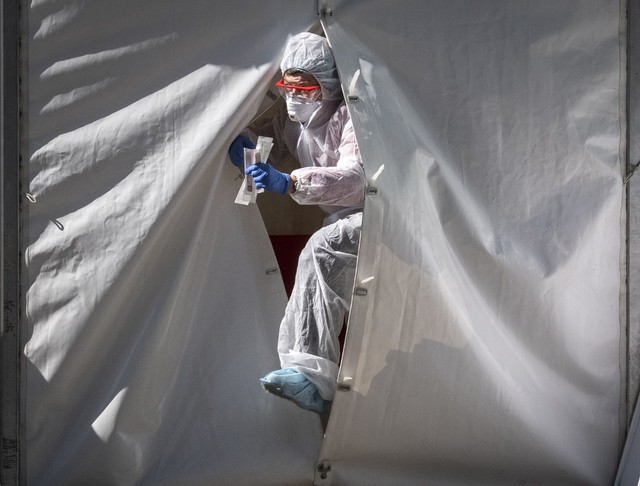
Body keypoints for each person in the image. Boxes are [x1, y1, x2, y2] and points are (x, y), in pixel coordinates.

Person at [228, 32, 365, 413]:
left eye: (304, 89)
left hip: (376, 215)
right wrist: (242, 144)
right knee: (318, 254)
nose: (293, 97)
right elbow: (266, 136)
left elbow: (356, 181)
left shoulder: (347, 117)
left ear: (327, 85)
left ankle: (314, 381)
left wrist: (290, 181)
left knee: (320, 249)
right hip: (343, 218)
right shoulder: (295, 124)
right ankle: (307, 375)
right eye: (288, 86)